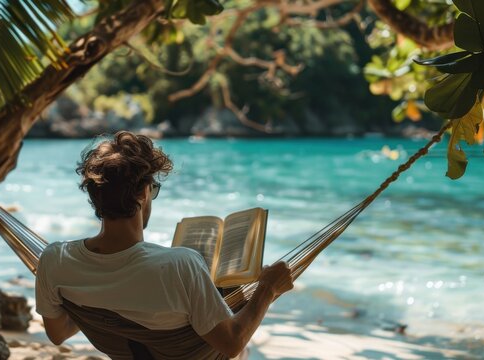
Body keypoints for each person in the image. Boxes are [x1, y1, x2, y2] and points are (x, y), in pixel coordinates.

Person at [35, 131, 294, 358]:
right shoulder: (180, 265)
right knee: (244, 351)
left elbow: (57, 334)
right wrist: (268, 288)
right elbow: (231, 343)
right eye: (153, 190)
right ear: (143, 192)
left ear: (94, 195)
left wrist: (102, 298)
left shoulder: (55, 259)